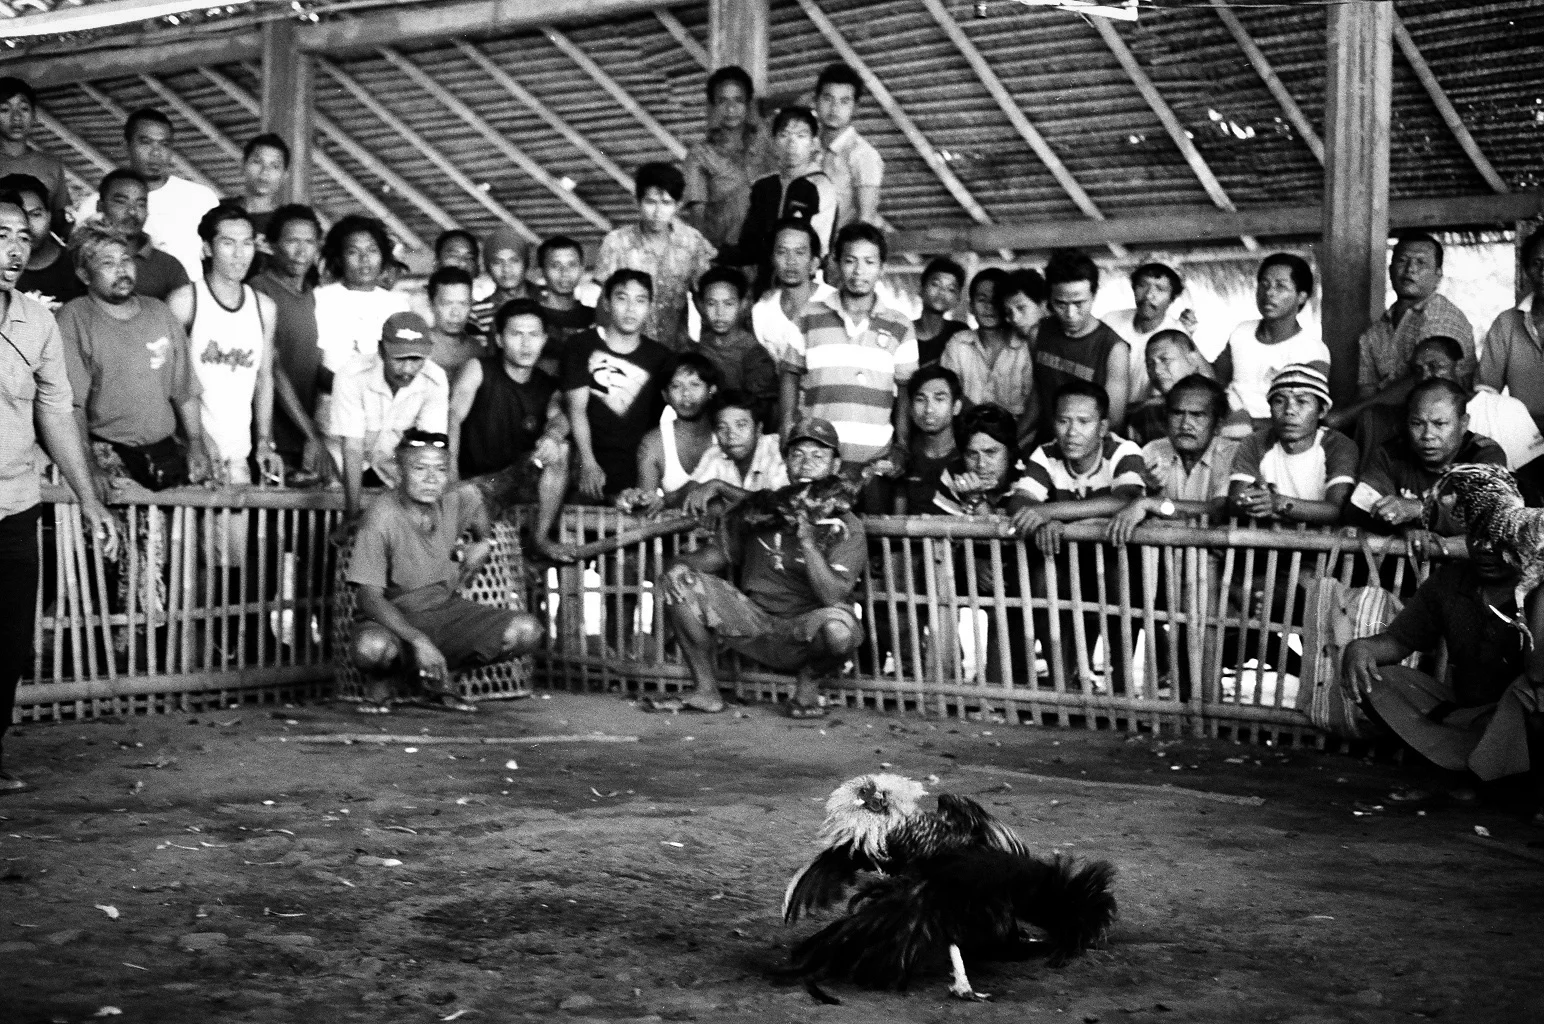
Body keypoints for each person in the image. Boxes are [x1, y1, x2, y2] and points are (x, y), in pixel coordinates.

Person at [0, 188, 120, 793]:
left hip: (15, 505)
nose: (14, 249)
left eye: (23, 236)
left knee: (10, 641)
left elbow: (56, 414)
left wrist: (90, 499)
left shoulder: (37, 319)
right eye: (0, 234)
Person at [658, 417, 864, 716]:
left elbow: (833, 597)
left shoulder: (846, 526)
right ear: (786, 461)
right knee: (678, 581)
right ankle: (706, 691)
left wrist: (808, 543)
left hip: (806, 630)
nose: (806, 464)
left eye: (818, 456)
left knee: (839, 630)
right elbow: (713, 557)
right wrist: (678, 567)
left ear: (835, 466)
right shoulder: (762, 509)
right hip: (754, 624)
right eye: (797, 455)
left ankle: (807, 686)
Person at [1345, 507, 1544, 814]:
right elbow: (1399, 641)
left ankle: (1492, 779)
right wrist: (1360, 648)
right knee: (1373, 677)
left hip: (1519, 721)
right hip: (1466, 714)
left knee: (1531, 692)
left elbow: (1537, 671)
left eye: (1501, 539)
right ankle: (1469, 773)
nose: (1486, 548)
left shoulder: (1538, 587)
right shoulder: (1450, 580)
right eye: (1478, 537)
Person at [346, 430, 544, 713]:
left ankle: (441, 674)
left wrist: (483, 541)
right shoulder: (380, 518)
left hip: (445, 612)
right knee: (371, 649)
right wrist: (419, 640)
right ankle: (385, 679)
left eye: (440, 470)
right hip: (393, 618)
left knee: (527, 631)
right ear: (398, 470)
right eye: (419, 469)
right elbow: (369, 598)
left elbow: (475, 499)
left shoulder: (453, 498)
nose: (431, 479)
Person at [1008, 381, 1146, 690]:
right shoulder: (1046, 454)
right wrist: (1044, 521)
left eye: (1084, 422)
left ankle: (1121, 681)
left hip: (1113, 559)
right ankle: (1063, 677)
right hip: (1064, 560)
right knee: (1043, 579)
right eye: (1063, 420)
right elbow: (1020, 503)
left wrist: (1051, 514)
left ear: (1102, 426)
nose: (1072, 432)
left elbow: (1124, 500)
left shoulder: (1122, 450)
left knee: (1119, 581)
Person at [59, 221, 213, 489]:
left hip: (165, 451)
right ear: (84, 275)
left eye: (126, 259)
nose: (122, 270)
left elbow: (185, 390)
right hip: (107, 453)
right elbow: (72, 406)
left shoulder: (159, 313)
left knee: (174, 529)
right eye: (108, 263)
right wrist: (88, 466)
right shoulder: (74, 319)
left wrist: (197, 443)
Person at [535, 269, 674, 561]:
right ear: (607, 303)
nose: (630, 308)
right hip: (584, 466)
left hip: (629, 471)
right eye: (622, 298)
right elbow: (576, 408)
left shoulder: (660, 357)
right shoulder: (582, 345)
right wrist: (587, 461)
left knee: (623, 569)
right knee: (569, 567)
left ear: (650, 307)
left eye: (640, 300)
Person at [780, 222, 917, 466]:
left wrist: (902, 445)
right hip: (818, 458)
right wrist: (787, 426)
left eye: (869, 262)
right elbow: (790, 373)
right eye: (850, 261)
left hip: (875, 461)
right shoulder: (808, 316)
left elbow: (905, 391)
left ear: (882, 268)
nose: (858, 271)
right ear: (837, 263)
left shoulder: (900, 325)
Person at [164, 204, 282, 486]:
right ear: (207, 248)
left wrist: (264, 441)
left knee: (239, 529)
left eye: (247, 243)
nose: (240, 254)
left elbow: (264, 378)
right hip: (190, 452)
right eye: (228, 243)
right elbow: (169, 380)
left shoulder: (263, 307)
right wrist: (197, 439)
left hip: (238, 456)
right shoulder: (185, 301)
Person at [1349, 335, 1544, 474]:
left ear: (1460, 367)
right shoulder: (1411, 418)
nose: (1425, 376)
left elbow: (1534, 477)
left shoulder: (1503, 409)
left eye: (1435, 367)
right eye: (1418, 370)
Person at [448, 298, 567, 519]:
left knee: (561, 450)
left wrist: (553, 435)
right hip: (474, 481)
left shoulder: (547, 385)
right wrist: (452, 476)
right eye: (516, 334)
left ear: (544, 340)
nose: (525, 343)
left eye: (533, 335)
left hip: (517, 481)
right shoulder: (478, 369)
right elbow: (453, 417)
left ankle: (540, 540)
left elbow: (559, 417)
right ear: (500, 339)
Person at [331, 312, 450, 528]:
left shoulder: (435, 380)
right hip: (347, 475)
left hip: (400, 476)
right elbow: (353, 449)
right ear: (381, 350)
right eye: (399, 359)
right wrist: (353, 514)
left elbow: (429, 449)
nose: (407, 369)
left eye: (416, 360)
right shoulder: (351, 375)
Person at [73, 108, 220, 283]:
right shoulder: (95, 205)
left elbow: (216, 262)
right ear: (126, 145)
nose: (156, 153)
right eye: (146, 142)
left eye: (164, 144)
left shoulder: (201, 198)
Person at [1349, 378, 1506, 541]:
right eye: (1417, 424)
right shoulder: (1391, 453)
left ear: (1463, 423)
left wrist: (1420, 510)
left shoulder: (1485, 454)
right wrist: (1404, 529)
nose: (1427, 435)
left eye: (1440, 424)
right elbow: (1359, 508)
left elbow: (1486, 513)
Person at [595, 162, 716, 351]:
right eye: (650, 202)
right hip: (627, 351)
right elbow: (603, 305)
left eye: (666, 203)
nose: (658, 212)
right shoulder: (616, 243)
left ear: (678, 205)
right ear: (637, 201)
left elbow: (705, 301)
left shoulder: (692, 242)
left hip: (675, 352)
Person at [250, 203, 332, 481]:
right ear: (272, 245)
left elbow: (313, 362)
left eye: (309, 242)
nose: (301, 251)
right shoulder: (259, 290)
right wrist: (310, 432)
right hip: (271, 436)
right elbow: (271, 368)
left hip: (304, 437)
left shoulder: (312, 295)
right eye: (292, 241)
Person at [312, 215, 411, 437]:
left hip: (386, 417)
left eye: (372, 251)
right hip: (333, 414)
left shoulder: (397, 304)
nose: (365, 259)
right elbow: (316, 365)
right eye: (354, 252)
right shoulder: (321, 299)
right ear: (339, 258)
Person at [1112, 374, 1239, 541]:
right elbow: (1132, 507)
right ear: (1166, 418)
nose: (1185, 424)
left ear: (1218, 424)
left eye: (1197, 415)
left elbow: (1218, 511)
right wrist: (1150, 492)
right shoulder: (1152, 450)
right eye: (1177, 413)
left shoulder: (1232, 454)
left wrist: (1151, 503)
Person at [1228, 364, 1356, 527]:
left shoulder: (1338, 445)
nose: (1289, 410)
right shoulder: (1255, 442)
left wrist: (1279, 503)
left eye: (1302, 401)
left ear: (1322, 411)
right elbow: (1235, 503)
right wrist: (1251, 501)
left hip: (1321, 547)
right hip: (1265, 544)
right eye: (1280, 401)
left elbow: (1337, 510)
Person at [1356, 233, 1476, 406]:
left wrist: (1345, 416)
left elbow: (1426, 381)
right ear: (1390, 270)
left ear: (1438, 275)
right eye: (1402, 261)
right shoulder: (1375, 332)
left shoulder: (1442, 315)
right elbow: (1366, 393)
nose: (1410, 269)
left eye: (1421, 262)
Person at [1214, 253, 1328, 428]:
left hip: (1274, 434)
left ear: (1302, 297)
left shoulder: (1311, 350)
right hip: (1229, 422)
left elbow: (1305, 416)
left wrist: (1247, 424)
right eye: (1264, 284)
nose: (1269, 293)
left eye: (1281, 286)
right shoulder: (1242, 332)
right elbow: (1215, 381)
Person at [731, 106, 837, 289]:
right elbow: (748, 242)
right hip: (762, 286)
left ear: (814, 143)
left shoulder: (820, 187)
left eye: (801, 136)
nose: (792, 144)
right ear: (773, 143)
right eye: (784, 135)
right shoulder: (762, 187)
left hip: (803, 285)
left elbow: (820, 249)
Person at [1031, 249, 1131, 436]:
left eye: (1079, 303)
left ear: (1094, 295)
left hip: (1091, 448)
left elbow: (1113, 421)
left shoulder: (1115, 349)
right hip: (1047, 442)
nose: (1070, 314)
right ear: (1049, 299)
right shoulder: (1037, 334)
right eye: (1060, 304)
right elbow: (1037, 395)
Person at [681, 65, 775, 252]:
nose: (731, 109)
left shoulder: (766, 144)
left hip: (766, 255)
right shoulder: (700, 156)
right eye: (722, 101)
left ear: (748, 104)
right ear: (712, 106)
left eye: (738, 100)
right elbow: (697, 220)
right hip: (723, 257)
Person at [942, 268, 1039, 446]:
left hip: (1019, 442)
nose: (989, 306)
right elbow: (949, 394)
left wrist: (1009, 444)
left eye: (996, 300)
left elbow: (1035, 404)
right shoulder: (958, 344)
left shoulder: (1026, 347)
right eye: (981, 299)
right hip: (967, 441)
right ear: (971, 306)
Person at [618, 353, 722, 516]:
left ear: (712, 389)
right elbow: (647, 509)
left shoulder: (726, 433)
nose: (686, 393)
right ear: (665, 395)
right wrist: (642, 501)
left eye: (695, 384)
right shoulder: (654, 444)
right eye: (676, 386)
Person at [687, 265, 778, 428]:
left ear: (743, 305)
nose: (719, 312)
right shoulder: (699, 348)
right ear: (701, 305)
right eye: (711, 303)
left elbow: (761, 411)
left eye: (728, 304)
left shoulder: (755, 356)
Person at [680, 389, 791, 515]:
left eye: (741, 425)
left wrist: (721, 487)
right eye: (722, 428)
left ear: (758, 429)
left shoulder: (777, 450)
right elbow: (688, 495)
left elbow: (780, 506)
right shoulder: (715, 454)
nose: (731, 435)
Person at [1126, 330, 1245, 445]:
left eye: (1165, 360)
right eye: (1150, 364)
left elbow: (1236, 457)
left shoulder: (1227, 404)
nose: (1157, 370)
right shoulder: (1146, 413)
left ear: (1192, 359)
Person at [1477, 229, 1544, 428]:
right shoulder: (1506, 323)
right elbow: (1486, 390)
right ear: (1525, 270)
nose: (1543, 272)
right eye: (1536, 263)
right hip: (1524, 437)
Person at [1104, 262, 1196, 405]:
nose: (1148, 295)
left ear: (1172, 297)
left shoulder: (1176, 334)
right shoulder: (1110, 321)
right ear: (1134, 288)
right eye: (1142, 285)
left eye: (1160, 289)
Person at [94, 168, 189, 301]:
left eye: (140, 204)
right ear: (100, 207)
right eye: (121, 202)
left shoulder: (169, 267)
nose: (132, 212)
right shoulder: (81, 260)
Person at [751, 218, 833, 367]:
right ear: (772, 259)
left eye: (800, 253)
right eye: (782, 252)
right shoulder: (762, 311)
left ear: (814, 262)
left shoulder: (834, 303)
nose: (791, 261)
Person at [815, 63, 883, 228]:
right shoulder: (808, 147)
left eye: (844, 101)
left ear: (855, 108)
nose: (834, 108)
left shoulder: (863, 154)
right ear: (815, 101)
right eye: (827, 98)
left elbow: (866, 218)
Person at [2, 173, 84, 310]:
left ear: (49, 215)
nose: (26, 225)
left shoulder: (80, 265)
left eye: (35, 214)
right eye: (16, 216)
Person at [0, 78, 69, 237]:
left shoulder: (51, 165)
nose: (16, 117)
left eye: (23, 109)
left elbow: (59, 224)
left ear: (34, 115)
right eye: (5, 109)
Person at [895, 364, 963, 514]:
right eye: (921, 400)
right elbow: (897, 517)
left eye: (939, 399)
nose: (929, 409)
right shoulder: (903, 460)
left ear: (956, 407)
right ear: (911, 410)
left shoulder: (968, 456)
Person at [532, 235, 594, 373]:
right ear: (541, 271)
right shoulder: (530, 316)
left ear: (582, 269)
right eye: (555, 265)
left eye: (571, 265)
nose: (564, 273)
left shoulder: (594, 318)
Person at [423, 266, 484, 376]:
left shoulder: (478, 350)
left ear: (471, 303)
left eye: (463, 303)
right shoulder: (417, 348)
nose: (455, 313)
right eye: (447, 304)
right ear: (431, 304)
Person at [470, 227, 530, 337]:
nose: (506, 269)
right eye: (497, 262)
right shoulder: (477, 314)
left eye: (514, 261)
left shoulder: (546, 302)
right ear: (488, 268)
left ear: (525, 263)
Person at [913, 257, 968, 367]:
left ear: (957, 299)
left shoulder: (959, 333)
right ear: (920, 289)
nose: (942, 292)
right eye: (936, 284)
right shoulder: (903, 331)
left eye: (951, 289)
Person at [235, 133, 289, 243]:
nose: (265, 172)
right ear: (242, 165)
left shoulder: (288, 224)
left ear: (284, 175)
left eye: (275, 166)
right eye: (257, 162)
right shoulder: (217, 211)